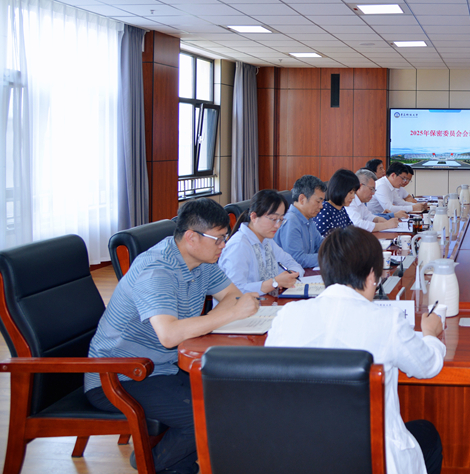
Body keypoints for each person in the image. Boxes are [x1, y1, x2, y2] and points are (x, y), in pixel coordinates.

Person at [84, 199, 259, 474]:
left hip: (162, 367)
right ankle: (153, 463)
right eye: (218, 239)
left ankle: (163, 460)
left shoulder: (201, 261)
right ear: (191, 237)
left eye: (225, 238)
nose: (223, 246)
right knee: (205, 415)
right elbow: (169, 335)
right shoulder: (156, 271)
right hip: (120, 375)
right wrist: (228, 315)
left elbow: (232, 295)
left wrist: (223, 314)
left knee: (234, 395)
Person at [265, 227, 445, 474]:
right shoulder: (387, 321)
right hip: (370, 457)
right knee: (428, 435)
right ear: (371, 275)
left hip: (300, 453)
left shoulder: (287, 316)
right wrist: (431, 334)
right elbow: (428, 366)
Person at [218, 189, 303, 295]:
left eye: (281, 219)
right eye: (273, 219)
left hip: (267, 301)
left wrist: (291, 276)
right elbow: (234, 291)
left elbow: (292, 263)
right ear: (254, 217)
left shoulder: (267, 240)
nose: (277, 225)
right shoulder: (238, 246)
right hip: (242, 305)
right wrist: (274, 283)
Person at [277, 174, 327, 269]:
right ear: (302, 199)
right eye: (318, 201)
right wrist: (329, 258)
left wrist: (338, 250)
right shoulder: (291, 221)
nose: (321, 206)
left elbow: (321, 245)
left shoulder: (309, 219)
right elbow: (296, 259)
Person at [315, 168, 359, 237]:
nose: (353, 197)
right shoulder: (325, 211)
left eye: (354, 193)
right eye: (351, 193)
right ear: (340, 190)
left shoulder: (341, 209)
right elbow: (323, 240)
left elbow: (351, 231)